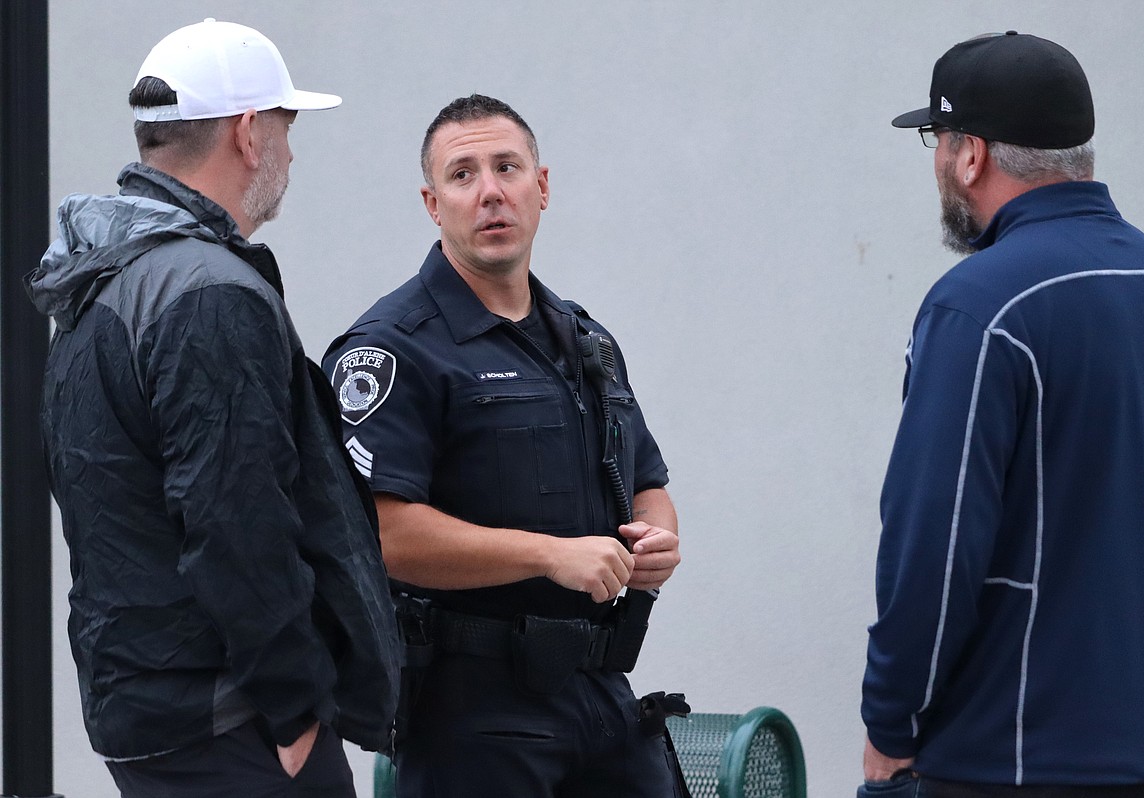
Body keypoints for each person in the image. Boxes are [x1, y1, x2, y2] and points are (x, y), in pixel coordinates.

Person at [26, 19, 401, 798]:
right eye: (285, 127)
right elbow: (236, 518)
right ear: (247, 134)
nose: (291, 154)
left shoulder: (102, 281)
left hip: (150, 709)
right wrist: (296, 714)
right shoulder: (208, 294)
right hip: (233, 724)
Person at [322, 94, 683, 797]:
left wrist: (657, 540)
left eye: (507, 167)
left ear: (540, 187)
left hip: (603, 695)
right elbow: (378, 534)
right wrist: (550, 555)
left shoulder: (586, 340)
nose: (489, 192)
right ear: (433, 203)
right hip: (474, 718)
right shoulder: (393, 349)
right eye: (463, 175)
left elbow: (645, 479)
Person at [861, 31, 1144, 795]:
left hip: (1017, 755)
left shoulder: (983, 305)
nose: (937, 165)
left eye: (937, 141)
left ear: (971, 155)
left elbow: (934, 539)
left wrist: (891, 722)